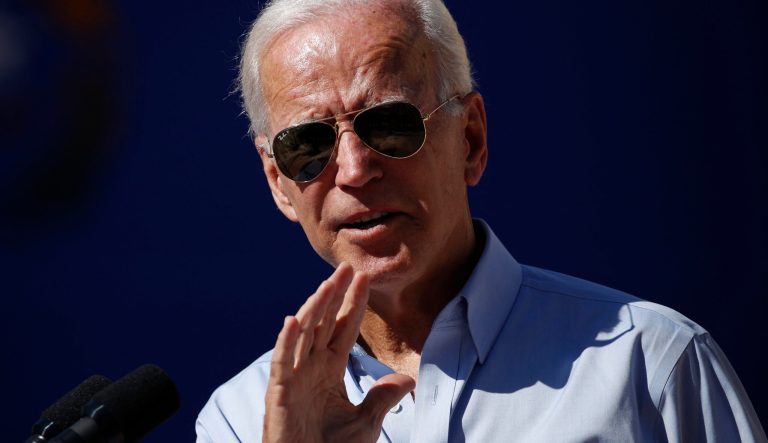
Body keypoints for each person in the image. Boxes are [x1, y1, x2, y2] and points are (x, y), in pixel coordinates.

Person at [196, 0, 766, 441]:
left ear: (469, 138)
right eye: (309, 145)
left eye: (389, 124)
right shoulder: (241, 421)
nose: (353, 170)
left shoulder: (650, 364)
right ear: (279, 183)